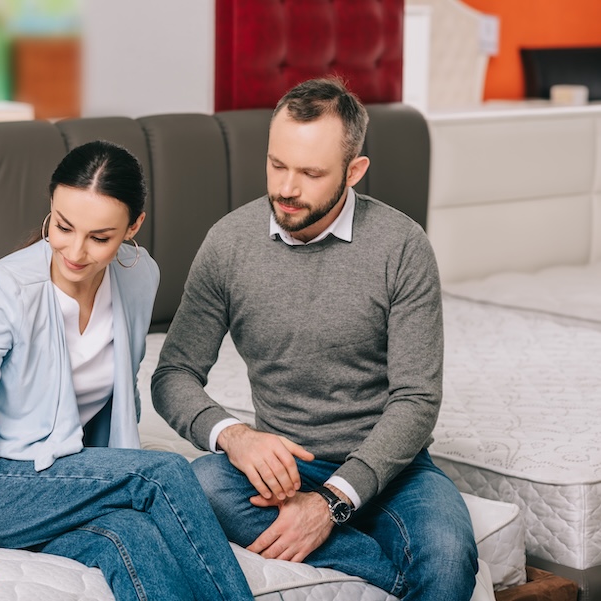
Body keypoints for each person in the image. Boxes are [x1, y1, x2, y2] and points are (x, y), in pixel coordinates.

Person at [151, 78, 479, 600]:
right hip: (285, 468)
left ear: (354, 171)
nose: (285, 187)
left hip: (391, 466)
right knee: (201, 487)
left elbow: (417, 399)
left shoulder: (403, 247)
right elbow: (173, 375)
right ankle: (397, 578)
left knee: (447, 556)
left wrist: (331, 504)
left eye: (310, 173)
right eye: (277, 164)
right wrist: (236, 437)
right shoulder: (228, 243)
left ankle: (361, 542)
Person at [0, 140, 254, 601]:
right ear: (50, 209)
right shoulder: (4, 289)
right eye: (63, 226)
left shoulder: (140, 277)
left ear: (133, 227)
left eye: (99, 237)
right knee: (163, 473)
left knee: (129, 536)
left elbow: (118, 395)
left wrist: (106, 471)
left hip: (62, 479)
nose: (74, 251)